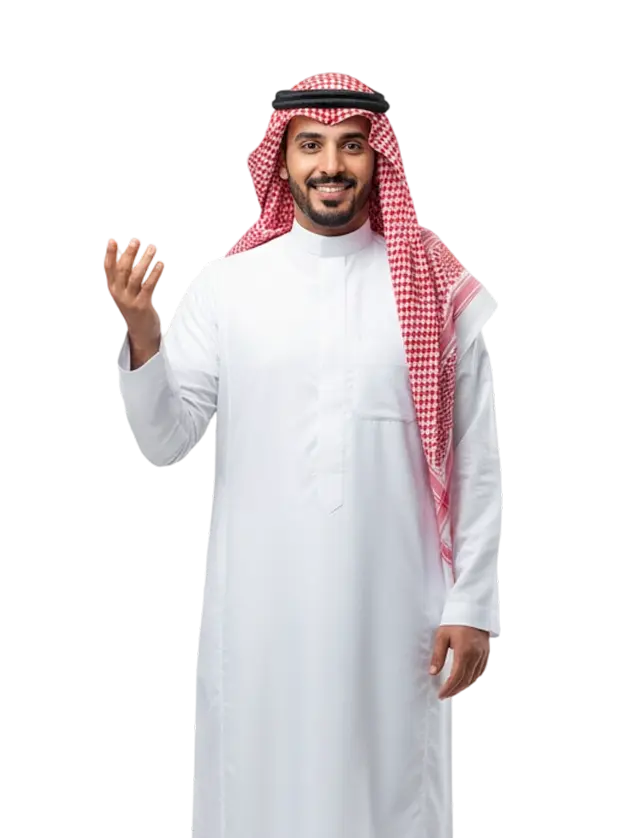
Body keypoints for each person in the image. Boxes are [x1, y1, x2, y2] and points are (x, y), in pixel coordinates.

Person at [105, 71, 503, 838]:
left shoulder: (435, 290)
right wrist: (145, 333)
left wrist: (474, 606)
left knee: (387, 795)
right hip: (261, 613)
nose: (331, 165)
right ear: (281, 161)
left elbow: (474, 460)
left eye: (351, 145)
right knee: (260, 793)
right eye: (311, 145)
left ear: (378, 158)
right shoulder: (227, 289)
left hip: (396, 613)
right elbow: (165, 440)